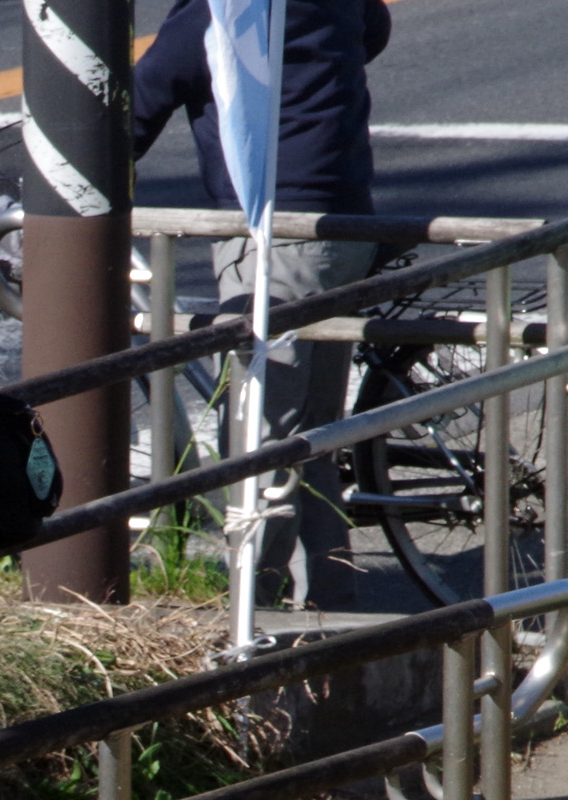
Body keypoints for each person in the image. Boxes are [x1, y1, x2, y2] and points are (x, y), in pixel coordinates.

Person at [134, 0, 393, 609]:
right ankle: (332, 593)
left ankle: (256, 606)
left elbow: (141, 101)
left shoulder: (216, 13)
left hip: (275, 237)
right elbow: (371, 33)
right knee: (317, 429)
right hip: (347, 222)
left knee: (260, 438)